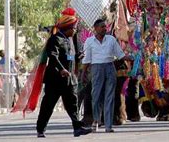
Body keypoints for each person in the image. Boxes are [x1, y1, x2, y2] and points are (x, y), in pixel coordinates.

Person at [36, 10, 91, 138]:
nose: (75, 30)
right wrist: (61, 69)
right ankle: (40, 129)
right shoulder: (55, 39)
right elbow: (53, 56)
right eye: (74, 27)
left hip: (69, 79)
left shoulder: (70, 40)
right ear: (68, 27)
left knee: (73, 104)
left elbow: (69, 57)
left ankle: (77, 128)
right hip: (55, 80)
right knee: (48, 105)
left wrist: (78, 57)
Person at [81, 19, 130, 133]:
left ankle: (108, 125)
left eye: (105, 27)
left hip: (109, 67)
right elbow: (87, 59)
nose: (105, 29)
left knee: (109, 96)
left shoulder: (111, 40)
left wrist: (132, 58)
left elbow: (120, 55)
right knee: (96, 95)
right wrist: (83, 73)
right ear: (96, 28)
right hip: (96, 68)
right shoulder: (89, 41)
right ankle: (97, 120)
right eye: (102, 27)